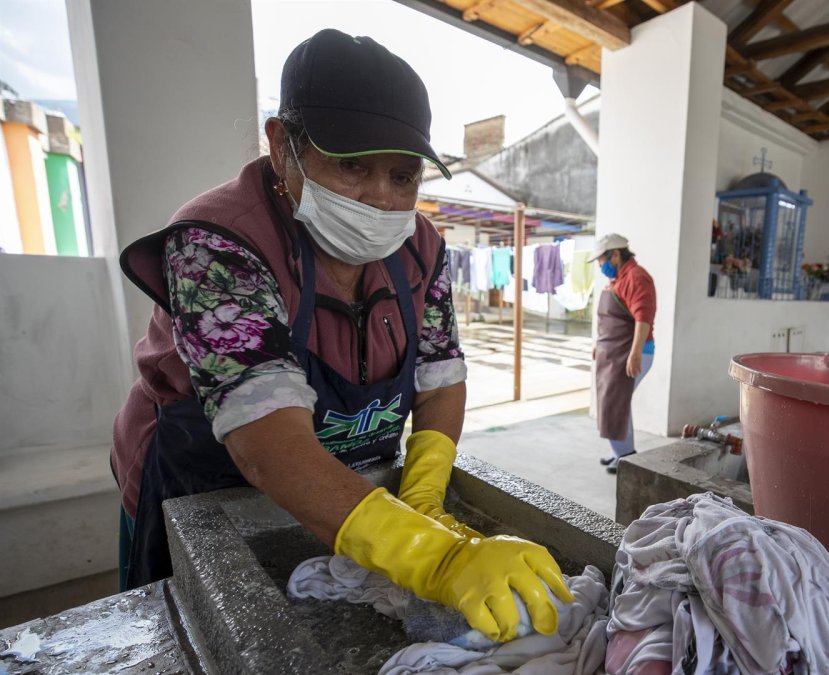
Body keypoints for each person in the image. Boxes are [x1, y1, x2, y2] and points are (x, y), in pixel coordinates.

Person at [111, 29, 570, 644]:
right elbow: (265, 438)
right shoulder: (217, 244)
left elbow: (440, 379)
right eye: (352, 167)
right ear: (281, 147)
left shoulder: (421, 248)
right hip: (205, 482)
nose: (381, 198)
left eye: (404, 176)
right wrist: (435, 558)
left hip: (348, 482)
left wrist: (426, 495)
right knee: (196, 639)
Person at [591, 234, 656, 475]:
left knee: (616, 402)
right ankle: (620, 453)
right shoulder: (618, 279)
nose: (601, 267)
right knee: (616, 403)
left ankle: (626, 456)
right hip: (613, 352)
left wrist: (635, 352)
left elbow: (643, 318)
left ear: (615, 255)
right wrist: (600, 344)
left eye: (601, 261)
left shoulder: (637, 277)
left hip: (630, 352)